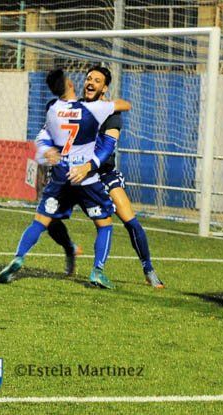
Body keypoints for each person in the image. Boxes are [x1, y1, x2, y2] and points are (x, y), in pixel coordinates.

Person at [0, 68, 131, 288]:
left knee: (40, 221)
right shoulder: (92, 109)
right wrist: (107, 101)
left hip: (60, 176)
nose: (85, 81)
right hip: (85, 178)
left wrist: (46, 149)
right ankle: (97, 271)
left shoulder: (52, 108)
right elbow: (125, 105)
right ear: (70, 85)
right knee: (105, 224)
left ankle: (19, 257)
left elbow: (43, 137)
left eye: (95, 80)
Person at [45, 66, 165, 288]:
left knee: (130, 221)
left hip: (102, 173)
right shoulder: (75, 107)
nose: (90, 83)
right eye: (89, 78)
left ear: (104, 88)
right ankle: (70, 248)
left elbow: (107, 149)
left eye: (97, 80)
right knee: (48, 218)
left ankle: (148, 269)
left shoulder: (111, 114)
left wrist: (88, 166)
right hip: (75, 174)